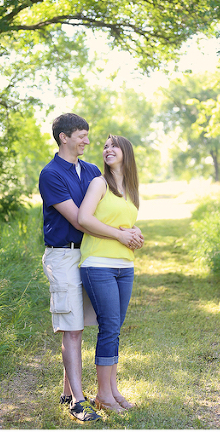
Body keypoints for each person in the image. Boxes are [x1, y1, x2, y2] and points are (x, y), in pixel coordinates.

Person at [39, 114, 143, 422]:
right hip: (64, 255)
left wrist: (131, 230)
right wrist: (121, 235)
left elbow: (108, 212)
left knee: (86, 324)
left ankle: (69, 389)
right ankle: (78, 401)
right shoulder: (51, 174)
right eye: (82, 136)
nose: (87, 141)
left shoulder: (93, 170)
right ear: (64, 138)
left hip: (88, 255)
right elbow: (79, 219)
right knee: (73, 330)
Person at [77, 134, 143, 413]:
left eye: (113, 145)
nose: (108, 149)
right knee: (108, 327)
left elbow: (123, 225)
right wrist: (119, 235)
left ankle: (113, 390)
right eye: (105, 146)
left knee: (114, 329)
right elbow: (84, 218)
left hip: (124, 266)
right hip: (98, 264)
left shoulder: (129, 189)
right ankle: (103, 394)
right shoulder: (98, 183)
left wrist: (136, 233)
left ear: (126, 152)